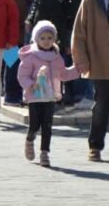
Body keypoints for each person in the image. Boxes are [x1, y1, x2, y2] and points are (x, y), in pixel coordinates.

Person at [18, 21, 81, 167]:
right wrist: (30, 85)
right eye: (43, 38)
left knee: (47, 125)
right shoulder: (30, 57)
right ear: (36, 39)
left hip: (51, 96)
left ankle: (44, 153)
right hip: (35, 96)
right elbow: (22, 75)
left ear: (54, 39)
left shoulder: (56, 57)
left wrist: (77, 70)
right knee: (35, 124)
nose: (46, 41)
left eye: (49, 38)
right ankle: (29, 139)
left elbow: (63, 74)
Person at [27, 0, 83, 106]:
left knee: (62, 63)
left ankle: (67, 94)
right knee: (38, 62)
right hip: (40, 30)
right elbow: (36, 5)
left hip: (59, 29)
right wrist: (30, 19)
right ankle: (43, 93)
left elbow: (73, 6)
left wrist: (68, 30)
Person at [72, 0, 109, 162]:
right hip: (100, 61)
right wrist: (81, 59)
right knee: (101, 104)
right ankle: (95, 145)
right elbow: (79, 32)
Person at [4, 0, 32, 106]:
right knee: (12, 65)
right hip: (11, 34)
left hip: (20, 33)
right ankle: (11, 96)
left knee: (16, 65)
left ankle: (15, 95)